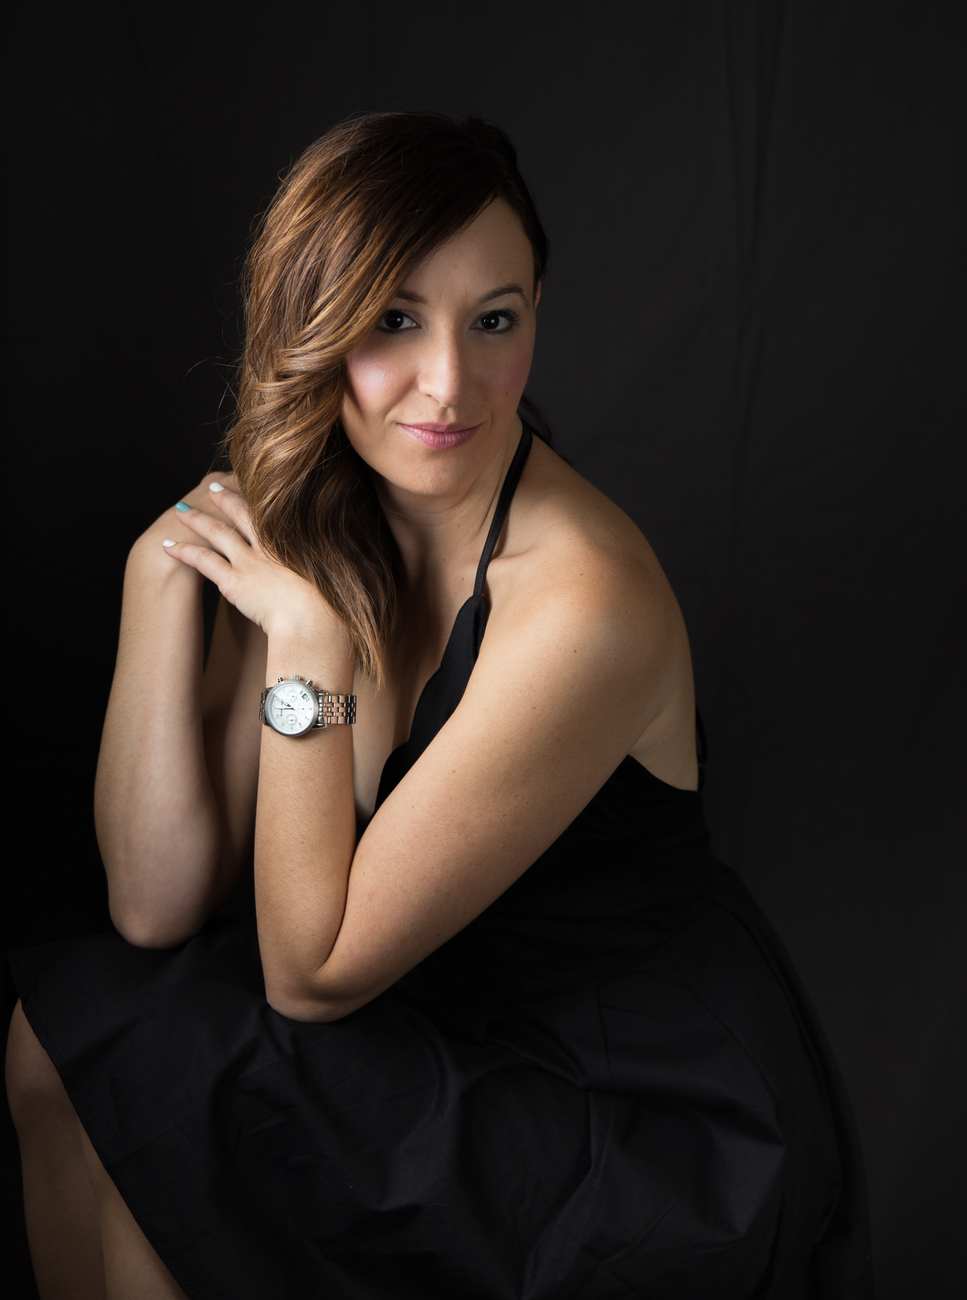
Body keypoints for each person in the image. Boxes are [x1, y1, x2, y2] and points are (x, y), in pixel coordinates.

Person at [6, 111, 872, 1300]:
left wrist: (309, 648)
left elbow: (310, 973)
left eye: (494, 320)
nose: (450, 384)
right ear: (311, 326)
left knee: (167, 1076)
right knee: (64, 1040)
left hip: (631, 1120)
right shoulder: (320, 508)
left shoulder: (584, 603)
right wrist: (156, 579)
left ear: (535, 314)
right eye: (394, 320)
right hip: (445, 1032)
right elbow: (154, 905)